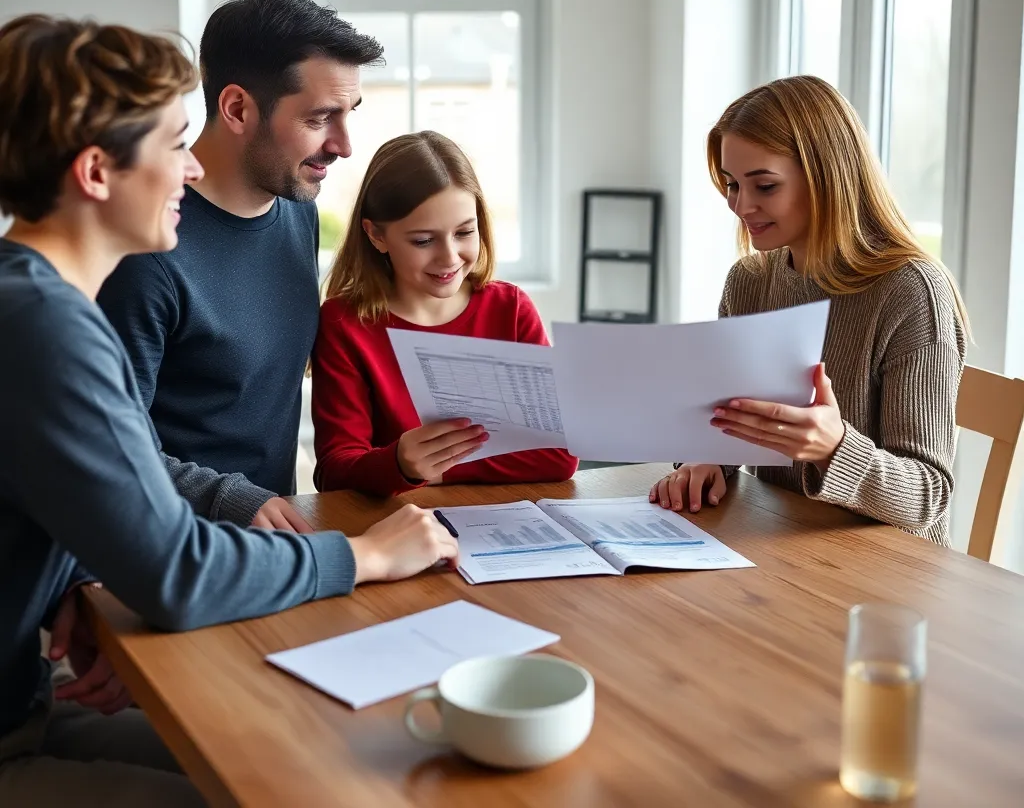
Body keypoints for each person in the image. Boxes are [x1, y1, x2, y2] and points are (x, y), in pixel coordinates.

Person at [0, 14, 458, 806]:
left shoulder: (33, 301)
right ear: (96, 174)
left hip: (26, 701)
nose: (189, 169)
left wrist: (67, 579)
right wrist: (368, 555)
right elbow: (178, 570)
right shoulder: (43, 326)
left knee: (316, 759)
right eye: (175, 144)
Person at [649, 75, 968, 546]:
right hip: (778, 547)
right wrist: (706, 460)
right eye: (733, 185)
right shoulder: (750, 283)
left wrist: (835, 448)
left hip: (887, 575)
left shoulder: (910, 292)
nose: (742, 205)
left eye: (764, 185)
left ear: (826, 176)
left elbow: (926, 497)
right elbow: (732, 422)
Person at [98, 0, 382, 512]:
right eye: (320, 118)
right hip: (174, 552)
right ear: (236, 108)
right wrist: (241, 503)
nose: (344, 144)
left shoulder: (298, 211)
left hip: (276, 541)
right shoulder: (146, 252)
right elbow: (111, 452)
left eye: (350, 114)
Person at [312, 130, 578, 496]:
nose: (450, 258)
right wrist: (400, 464)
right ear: (376, 236)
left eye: (465, 232)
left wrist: (434, 471)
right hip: (400, 533)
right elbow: (334, 473)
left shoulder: (511, 309)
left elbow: (559, 456)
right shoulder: (345, 324)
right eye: (423, 240)